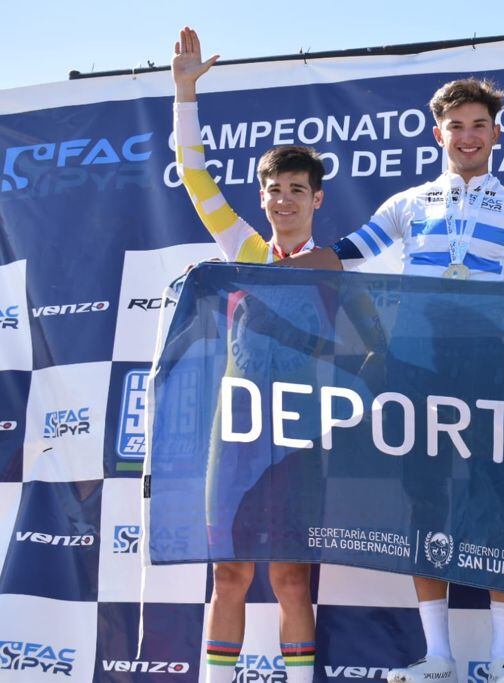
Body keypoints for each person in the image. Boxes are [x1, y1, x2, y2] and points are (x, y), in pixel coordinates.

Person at [284, 77, 504, 683]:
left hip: (485, 364)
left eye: (478, 125)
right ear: (438, 133)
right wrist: (250, 269)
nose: (467, 136)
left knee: (500, 500)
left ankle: (503, 658)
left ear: (496, 135)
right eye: (456, 126)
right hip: (416, 366)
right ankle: (438, 657)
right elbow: (343, 252)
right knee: (426, 503)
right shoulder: (408, 203)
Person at [171, 26, 320, 683]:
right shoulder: (244, 248)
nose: (283, 199)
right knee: (228, 573)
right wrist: (184, 93)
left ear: (317, 198)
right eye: (273, 189)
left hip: (298, 438)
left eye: (296, 188)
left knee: (291, 578)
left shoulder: (336, 265)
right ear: (261, 197)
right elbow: (194, 174)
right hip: (234, 434)